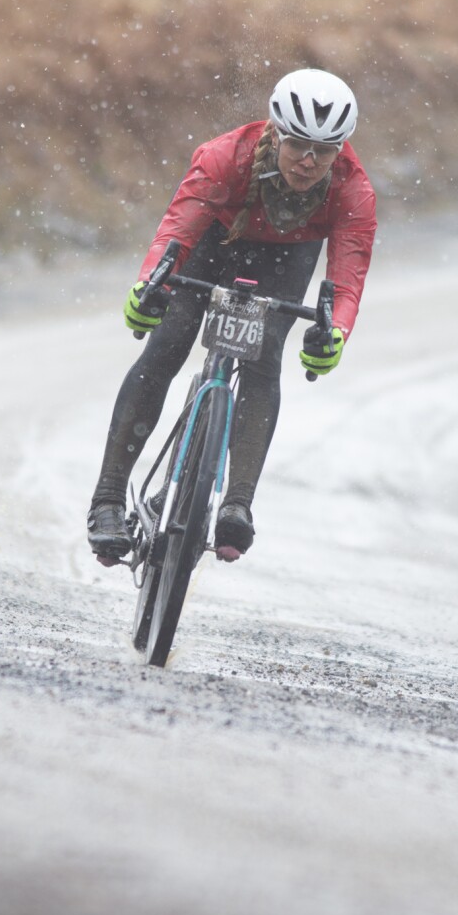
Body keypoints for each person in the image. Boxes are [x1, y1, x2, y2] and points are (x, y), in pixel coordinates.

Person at [87, 67, 377, 563]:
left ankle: (237, 505)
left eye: (324, 151)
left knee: (264, 363)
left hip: (286, 261)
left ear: (340, 151)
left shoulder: (353, 191)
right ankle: (108, 500)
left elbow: (348, 276)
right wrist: (147, 287)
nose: (308, 162)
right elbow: (176, 232)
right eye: (297, 145)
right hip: (213, 245)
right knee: (168, 344)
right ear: (276, 132)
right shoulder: (226, 157)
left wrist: (336, 334)